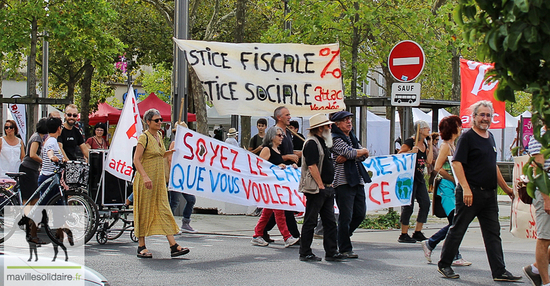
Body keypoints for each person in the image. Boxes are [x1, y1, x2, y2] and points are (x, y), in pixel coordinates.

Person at [437, 100, 521, 281]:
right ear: (474, 117)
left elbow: (493, 166)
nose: (485, 118)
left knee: (493, 233)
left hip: (489, 195)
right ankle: (444, 264)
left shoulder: (490, 137)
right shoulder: (467, 137)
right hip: (471, 193)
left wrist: (506, 188)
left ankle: (499, 271)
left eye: (488, 115)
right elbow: (457, 163)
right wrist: (466, 188)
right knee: (458, 229)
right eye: (482, 115)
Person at [133, 109, 189, 259]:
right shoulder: (143, 138)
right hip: (146, 181)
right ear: (148, 122)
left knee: (164, 210)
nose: (160, 122)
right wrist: (145, 177)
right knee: (144, 211)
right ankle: (141, 246)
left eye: (160, 119)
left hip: (158, 182)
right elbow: (136, 159)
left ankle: (173, 245)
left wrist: (172, 152)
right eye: (156, 120)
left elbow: (160, 155)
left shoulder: (159, 135)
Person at [420, 116, 471, 266]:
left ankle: (432, 244)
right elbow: (437, 168)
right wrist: (453, 178)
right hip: (446, 189)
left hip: (454, 189)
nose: (461, 128)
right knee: (455, 223)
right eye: (458, 125)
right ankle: (450, 253)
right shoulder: (445, 146)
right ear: (452, 128)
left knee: (456, 223)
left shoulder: (453, 145)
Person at [298, 113, 343, 262]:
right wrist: (321, 185)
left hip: (326, 188)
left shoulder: (322, 142)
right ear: (320, 128)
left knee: (329, 221)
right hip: (317, 189)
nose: (330, 127)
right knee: (311, 220)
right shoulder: (312, 143)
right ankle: (305, 252)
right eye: (327, 125)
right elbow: (312, 166)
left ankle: (331, 251)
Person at [330, 110, 371, 259]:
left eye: (350, 119)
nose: (349, 122)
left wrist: (357, 153)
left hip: (357, 180)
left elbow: (363, 155)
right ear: (337, 124)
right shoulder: (334, 138)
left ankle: (343, 235)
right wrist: (357, 152)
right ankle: (345, 248)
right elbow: (350, 153)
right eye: (345, 120)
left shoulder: (352, 137)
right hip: (342, 182)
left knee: (360, 213)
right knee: (345, 216)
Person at [250, 126, 299, 248]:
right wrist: (276, 168)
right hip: (270, 187)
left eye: (282, 135)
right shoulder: (267, 149)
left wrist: (290, 166)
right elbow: (260, 166)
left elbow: (277, 165)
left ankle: (257, 235)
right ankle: (287, 237)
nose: (282, 137)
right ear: (272, 137)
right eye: (279, 135)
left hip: (276, 187)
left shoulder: (277, 150)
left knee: (267, 212)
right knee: (279, 211)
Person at [263, 106, 301, 241]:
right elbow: (271, 156)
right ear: (279, 117)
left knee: (277, 208)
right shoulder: (274, 132)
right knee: (286, 206)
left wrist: (296, 155)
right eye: (287, 115)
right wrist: (288, 158)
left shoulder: (289, 133)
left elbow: (284, 152)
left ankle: (262, 230)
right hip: (278, 177)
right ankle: (294, 235)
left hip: (288, 175)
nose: (290, 117)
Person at [398, 120, 433, 243]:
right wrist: (411, 152)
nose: (429, 130)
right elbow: (400, 154)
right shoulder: (411, 141)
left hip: (419, 177)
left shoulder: (424, 143)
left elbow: (429, 162)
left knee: (425, 203)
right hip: (409, 177)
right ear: (420, 129)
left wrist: (430, 146)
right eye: (427, 128)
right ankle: (403, 233)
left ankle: (417, 231)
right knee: (409, 205)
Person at [523, 126, 550, 286]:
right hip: (546, 190)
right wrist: (546, 199)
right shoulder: (540, 137)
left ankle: (535, 268)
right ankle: (546, 282)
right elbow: (538, 170)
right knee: (545, 238)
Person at [168, 122, 198, 234]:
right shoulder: (175, 144)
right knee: (174, 202)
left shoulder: (188, 146)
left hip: (185, 177)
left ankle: (185, 223)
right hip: (176, 177)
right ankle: (168, 224)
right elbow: (170, 160)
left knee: (191, 200)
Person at [19, 118, 48, 204]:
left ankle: (31, 216)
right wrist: (43, 161)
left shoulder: (39, 137)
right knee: (29, 196)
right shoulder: (36, 138)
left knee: (35, 195)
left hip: (33, 169)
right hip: (28, 169)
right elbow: (32, 154)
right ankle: (25, 215)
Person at [38, 117, 67, 205]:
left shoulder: (53, 140)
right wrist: (52, 157)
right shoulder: (52, 141)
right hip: (48, 177)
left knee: (56, 203)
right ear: (59, 128)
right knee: (45, 204)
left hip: (53, 177)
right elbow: (49, 150)